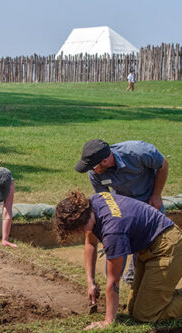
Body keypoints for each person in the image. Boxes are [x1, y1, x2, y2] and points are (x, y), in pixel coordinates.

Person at [53, 190, 182, 329]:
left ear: (79, 224)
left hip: (167, 248)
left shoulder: (113, 232)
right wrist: (91, 282)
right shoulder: (93, 204)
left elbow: (113, 280)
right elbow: (90, 242)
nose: (78, 234)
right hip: (148, 248)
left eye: (76, 230)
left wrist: (108, 322)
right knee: (132, 309)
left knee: (145, 315)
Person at [75, 139, 169, 283]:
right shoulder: (95, 174)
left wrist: (157, 194)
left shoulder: (138, 152)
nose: (91, 171)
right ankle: (114, 283)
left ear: (105, 161)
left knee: (148, 245)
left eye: (92, 166)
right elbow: (104, 201)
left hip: (149, 202)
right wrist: (108, 232)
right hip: (122, 206)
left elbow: (163, 165)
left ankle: (134, 280)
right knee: (117, 242)